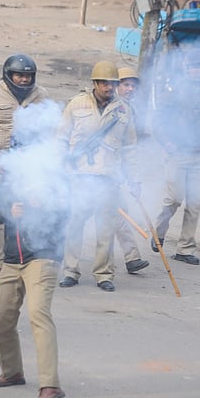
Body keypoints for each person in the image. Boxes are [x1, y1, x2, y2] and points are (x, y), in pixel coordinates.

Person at [0, 182, 67, 398]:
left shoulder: (53, 178)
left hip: (43, 256)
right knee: (1, 317)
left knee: (38, 313)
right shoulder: (8, 180)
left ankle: (50, 385)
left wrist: (42, 207)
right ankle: (12, 372)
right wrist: (9, 211)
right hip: (11, 260)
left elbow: (68, 210)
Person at [57, 61, 139, 292]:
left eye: (113, 83)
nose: (109, 87)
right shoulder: (76, 104)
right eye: (104, 82)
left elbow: (130, 147)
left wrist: (135, 179)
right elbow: (61, 139)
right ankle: (70, 271)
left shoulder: (124, 109)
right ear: (95, 83)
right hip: (79, 176)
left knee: (106, 228)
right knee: (74, 225)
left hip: (108, 177)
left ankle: (104, 274)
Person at [152, 47, 200, 266]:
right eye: (195, 67)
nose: (199, 72)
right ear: (187, 69)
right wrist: (167, 144)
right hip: (178, 154)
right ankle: (159, 231)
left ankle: (185, 248)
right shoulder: (174, 92)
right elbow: (157, 122)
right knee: (174, 199)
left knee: (194, 203)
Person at [0, 53, 50, 284]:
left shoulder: (42, 95)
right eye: (19, 75)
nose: (23, 80)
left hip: (29, 165)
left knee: (25, 210)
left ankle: (23, 258)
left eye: (28, 76)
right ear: (8, 75)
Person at [113, 66, 149, 275]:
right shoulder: (103, 105)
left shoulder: (129, 110)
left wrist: (134, 178)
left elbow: (130, 148)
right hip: (87, 172)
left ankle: (132, 257)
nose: (130, 89)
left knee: (120, 213)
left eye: (133, 86)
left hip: (111, 174)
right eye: (126, 85)